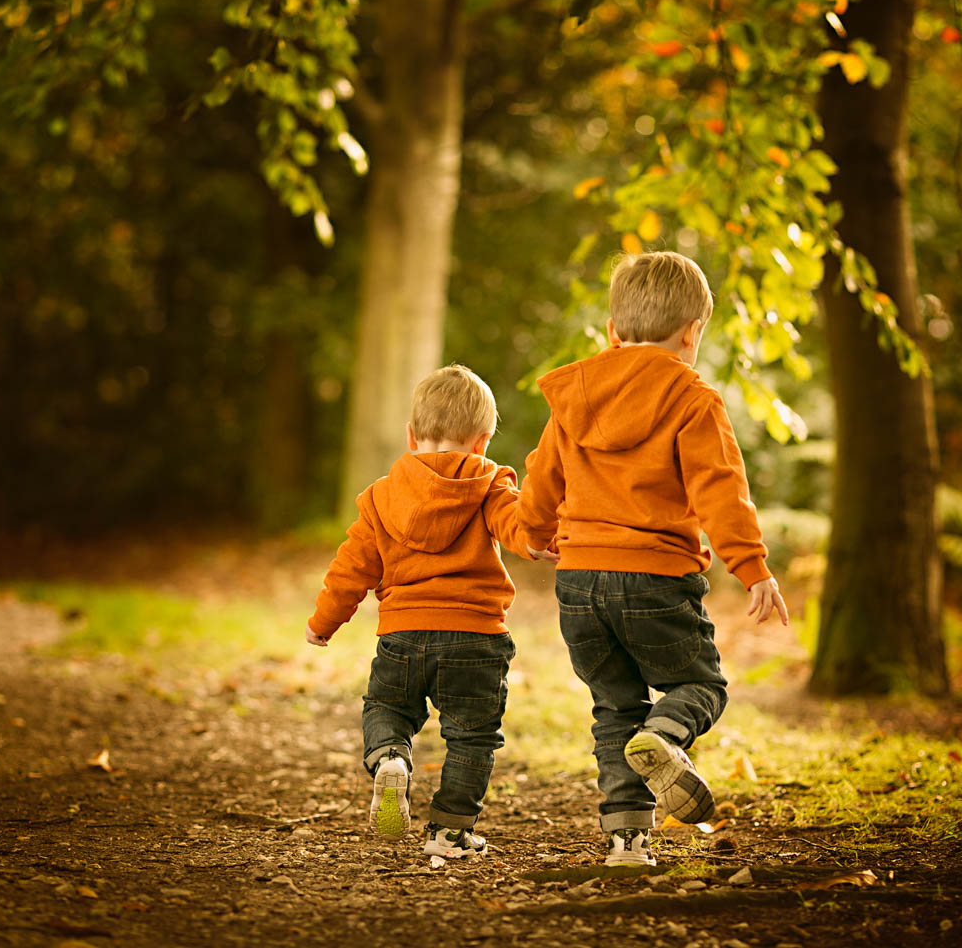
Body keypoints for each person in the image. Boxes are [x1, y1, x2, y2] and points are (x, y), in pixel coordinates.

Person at [519, 250, 789, 867]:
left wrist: (532, 530)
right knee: (699, 684)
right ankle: (666, 737)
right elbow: (720, 488)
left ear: (612, 330)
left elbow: (543, 477)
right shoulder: (692, 397)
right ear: (692, 333)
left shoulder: (575, 394)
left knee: (615, 707)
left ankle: (626, 844)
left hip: (579, 581)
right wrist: (752, 567)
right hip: (656, 578)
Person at [307, 364, 544, 859]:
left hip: (403, 635)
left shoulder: (381, 496)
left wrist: (323, 622)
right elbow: (519, 528)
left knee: (388, 708)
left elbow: (351, 567)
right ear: (481, 442)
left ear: (412, 436)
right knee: (472, 738)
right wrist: (541, 541)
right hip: (475, 637)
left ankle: (391, 756)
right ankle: (450, 831)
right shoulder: (490, 484)